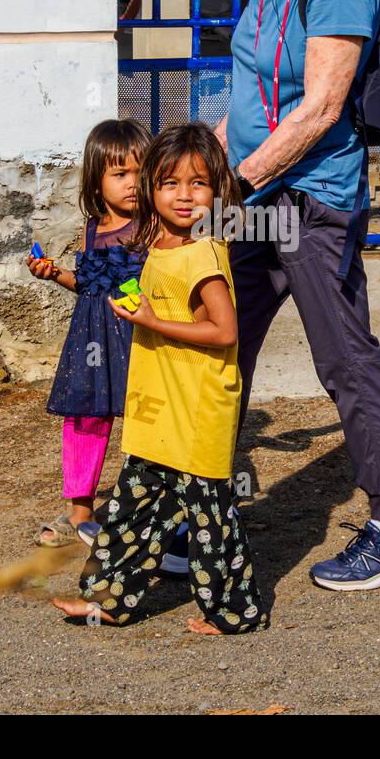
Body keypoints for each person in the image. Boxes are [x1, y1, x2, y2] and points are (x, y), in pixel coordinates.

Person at [170, 0, 380, 590]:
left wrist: (236, 184)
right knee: (218, 345)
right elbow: (256, 96)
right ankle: (205, 513)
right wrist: (202, 167)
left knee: (345, 359)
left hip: (310, 202)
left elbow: (319, 107)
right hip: (253, 194)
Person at [51, 123, 267, 635]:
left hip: (196, 414)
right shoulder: (159, 247)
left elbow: (224, 330)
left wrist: (150, 321)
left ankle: (236, 613)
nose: (185, 196)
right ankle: (108, 601)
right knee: (128, 515)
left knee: (212, 523)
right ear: (151, 189)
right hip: (157, 412)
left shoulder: (204, 255)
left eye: (199, 184)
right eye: (170, 183)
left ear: (218, 191)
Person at [29, 119, 151, 547]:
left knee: (146, 420)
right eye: (120, 174)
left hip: (140, 336)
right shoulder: (92, 227)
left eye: (141, 172)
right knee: (84, 418)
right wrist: (55, 273)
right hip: (91, 337)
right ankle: (78, 511)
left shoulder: (154, 228)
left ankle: (148, 510)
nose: (132, 183)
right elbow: (90, 284)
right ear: (97, 181)